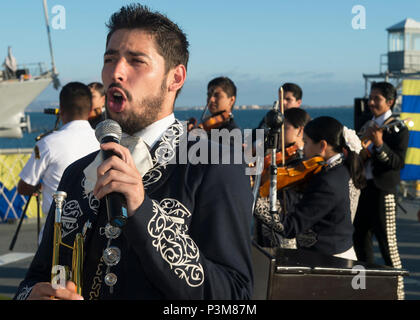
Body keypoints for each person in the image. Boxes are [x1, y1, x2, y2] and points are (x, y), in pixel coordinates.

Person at [14, 4, 253, 300]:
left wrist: (143, 210)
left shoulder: (216, 165)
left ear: (175, 78)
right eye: (109, 59)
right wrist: (33, 295)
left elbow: (235, 296)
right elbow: (37, 277)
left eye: (136, 61)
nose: (116, 73)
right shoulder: (77, 172)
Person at [256, 116, 366, 260]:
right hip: (335, 253)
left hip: (329, 260)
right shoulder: (342, 167)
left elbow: (290, 227)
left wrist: (256, 203)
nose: (303, 148)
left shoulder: (328, 181)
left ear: (322, 146)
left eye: (306, 143)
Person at [17, 82, 100, 241]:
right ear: (90, 111)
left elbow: (24, 186)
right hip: (94, 229)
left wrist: (39, 187)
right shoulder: (102, 141)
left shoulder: (47, 143)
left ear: (61, 109)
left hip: (56, 228)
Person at [353, 82, 409, 268]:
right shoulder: (365, 122)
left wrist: (379, 144)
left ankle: (397, 294)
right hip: (362, 190)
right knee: (359, 242)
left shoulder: (398, 128)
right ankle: (363, 290)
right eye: (370, 98)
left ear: (390, 102)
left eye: (376, 98)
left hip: (383, 193)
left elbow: (397, 163)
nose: (370, 102)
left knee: (388, 247)